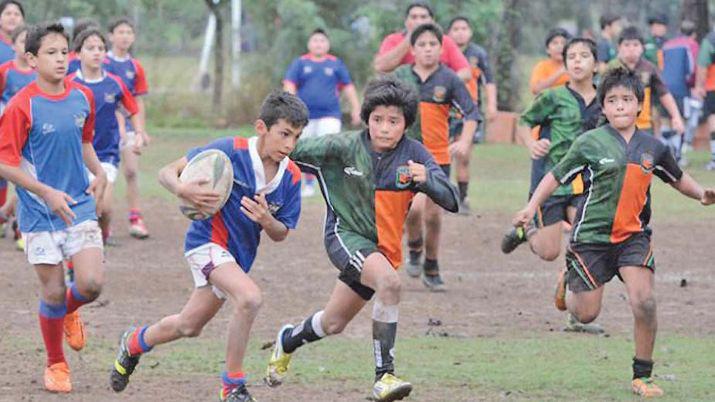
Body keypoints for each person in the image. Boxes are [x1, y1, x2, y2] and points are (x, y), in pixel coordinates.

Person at [513, 67, 714, 398]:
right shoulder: (588, 143)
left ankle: (642, 375)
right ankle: (568, 279)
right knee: (585, 312)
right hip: (591, 240)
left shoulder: (654, 147)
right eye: (612, 100)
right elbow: (555, 176)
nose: (620, 106)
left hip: (632, 237)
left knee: (645, 301)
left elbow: (676, 176)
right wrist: (531, 205)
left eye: (627, 99)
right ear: (603, 108)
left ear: (639, 105)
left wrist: (701, 194)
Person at [264, 76, 459, 402]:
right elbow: (285, 149)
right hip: (344, 237)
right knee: (391, 284)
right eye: (377, 120)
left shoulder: (415, 155)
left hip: (381, 250)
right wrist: (244, 154)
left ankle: (288, 340)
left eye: (393, 121)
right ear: (366, 119)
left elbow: (451, 200)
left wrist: (428, 180)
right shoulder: (342, 147)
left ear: (406, 124)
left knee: (333, 322)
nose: (384, 127)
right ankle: (384, 377)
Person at [109, 91, 307, 402]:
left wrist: (268, 221)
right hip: (205, 243)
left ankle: (133, 342)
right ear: (261, 128)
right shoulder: (229, 151)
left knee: (189, 326)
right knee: (250, 298)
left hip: (237, 258)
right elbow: (165, 173)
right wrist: (182, 188)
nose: (289, 144)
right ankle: (233, 384)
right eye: (284, 134)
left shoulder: (291, 177)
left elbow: (281, 233)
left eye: (296, 137)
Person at [0, 22, 107, 393]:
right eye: (51, 53)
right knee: (53, 292)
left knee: (91, 284)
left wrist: (99, 173)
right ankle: (55, 363)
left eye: (65, 52)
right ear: (31, 59)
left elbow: (85, 142)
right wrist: (45, 192)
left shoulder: (82, 98)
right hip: (38, 212)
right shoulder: (20, 105)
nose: (61, 59)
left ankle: (71, 310)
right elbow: (5, 164)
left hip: (78, 204)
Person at [501, 38, 604, 332]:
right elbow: (523, 121)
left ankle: (575, 310)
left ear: (596, 64)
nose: (577, 60)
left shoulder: (606, 100)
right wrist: (532, 143)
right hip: (554, 182)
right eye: (572, 56)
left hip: (588, 185)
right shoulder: (553, 98)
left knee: (587, 241)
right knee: (548, 252)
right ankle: (527, 230)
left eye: (584, 55)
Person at [394, 23, 479, 291]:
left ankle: (431, 264)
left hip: (437, 158)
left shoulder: (450, 79)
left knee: (433, 215)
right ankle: (415, 247)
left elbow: (472, 114)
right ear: (413, 49)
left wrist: (464, 141)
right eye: (422, 44)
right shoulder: (400, 76)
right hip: (405, 156)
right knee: (413, 210)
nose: (428, 49)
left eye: (433, 44)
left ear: (441, 49)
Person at [71, 28, 142, 244]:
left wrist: (138, 133)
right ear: (78, 53)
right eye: (90, 48)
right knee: (85, 207)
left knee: (106, 208)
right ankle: (83, 248)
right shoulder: (69, 84)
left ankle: (103, 234)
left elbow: (133, 109)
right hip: (77, 155)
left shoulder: (114, 83)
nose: (96, 52)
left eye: (100, 48)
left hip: (107, 154)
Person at [283, 28, 361, 197]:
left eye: (322, 41)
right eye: (315, 40)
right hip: (304, 117)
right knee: (304, 149)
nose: (319, 44)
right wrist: (290, 107)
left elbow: (348, 87)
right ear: (309, 44)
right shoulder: (300, 63)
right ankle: (308, 184)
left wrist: (356, 108)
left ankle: (332, 183)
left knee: (330, 149)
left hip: (330, 115)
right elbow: (289, 85)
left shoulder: (335, 64)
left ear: (328, 44)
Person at [104, 17, 151, 239]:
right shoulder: (101, 62)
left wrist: (141, 130)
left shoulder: (135, 66)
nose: (124, 36)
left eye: (128, 32)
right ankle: (103, 219)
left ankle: (135, 218)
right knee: (104, 175)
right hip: (106, 128)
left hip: (129, 127)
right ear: (111, 36)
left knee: (131, 172)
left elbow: (138, 101)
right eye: (120, 32)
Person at [447, 15, 498, 213]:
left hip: (468, 111)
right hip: (445, 111)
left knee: (464, 155)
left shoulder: (477, 54)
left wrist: (492, 105)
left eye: (464, 28)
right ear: (449, 32)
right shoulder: (443, 51)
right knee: (442, 156)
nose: (460, 32)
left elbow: (489, 81)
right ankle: (442, 196)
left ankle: (462, 198)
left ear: (470, 32)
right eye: (456, 28)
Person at [608, 26, 685, 136]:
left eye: (635, 45)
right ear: (619, 47)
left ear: (642, 48)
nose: (631, 48)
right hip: (617, 126)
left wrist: (676, 116)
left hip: (643, 126)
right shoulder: (612, 68)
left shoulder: (648, 68)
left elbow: (664, 93)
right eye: (626, 45)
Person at [373, 2, 470, 81]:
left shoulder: (445, 41)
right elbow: (381, 67)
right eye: (414, 17)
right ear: (406, 21)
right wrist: (410, 38)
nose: (418, 22)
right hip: (402, 96)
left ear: (432, 21)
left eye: (423, 17)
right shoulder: (393, 40)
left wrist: (443, 84)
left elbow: (465, 72)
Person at [660, 20, 699, 162]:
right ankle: (677, 156)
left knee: (666, 121)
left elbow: (662, 65)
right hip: (681, 88)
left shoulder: (667, 45)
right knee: (680, 120)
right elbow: (692, 69)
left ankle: (665, 155)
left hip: (663, 86)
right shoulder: (691, 45)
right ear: (693, 34)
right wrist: (693, 85)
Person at [693, 24, 715, 170]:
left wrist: (699, 86)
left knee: (713, 120)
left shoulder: (710, 40)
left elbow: (702, 65)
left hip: (712, 86)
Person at [530, 28, 571, 96]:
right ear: (547, 50)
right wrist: (560, 72)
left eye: (563, 43)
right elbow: (536, 90)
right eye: (555, 43)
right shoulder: (542, 66)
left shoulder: (574, 65)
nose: (560, 47)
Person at [0, 0, 23, 64]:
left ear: (22, 20)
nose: (12, 17)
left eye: (17, 14)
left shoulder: (29, 46)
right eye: (8, 13)